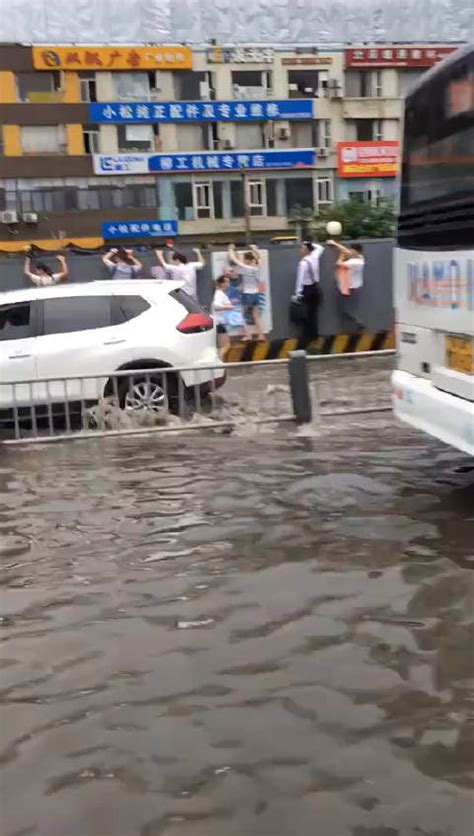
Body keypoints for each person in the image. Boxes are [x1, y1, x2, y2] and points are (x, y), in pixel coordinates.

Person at [228, 243, 264, 341]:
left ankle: (248, 335)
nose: (243, 260)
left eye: (245, 259)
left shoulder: (245, 268)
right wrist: (255, 249)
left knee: (242, 314)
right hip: (256, 294)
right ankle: (261, 335)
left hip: (247, 294)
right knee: (255, 316)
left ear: (248, 260)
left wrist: (231, 249)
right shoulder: (258, 267)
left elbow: (234, 260)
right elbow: (260, 258)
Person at [327, 240, 365, 332]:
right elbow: (346, 251)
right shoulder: (360, 257)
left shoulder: (356, 262)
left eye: (352, 250)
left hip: (350, 288)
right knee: (344, 308)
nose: (349, 252)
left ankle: (358, 323)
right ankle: (352, 325)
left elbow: (338, 264)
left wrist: (341, 255)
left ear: (355, 251)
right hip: (348, 287)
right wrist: (336, 244)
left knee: (345, 309)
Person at [293, 238, 324, 344]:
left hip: (306, 289)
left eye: (302, 248)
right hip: (315, 288)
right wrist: (309, 243)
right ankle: (314, 335)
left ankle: (306, 335)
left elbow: (300, 279)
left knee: (304, 313)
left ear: (307, 251)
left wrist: (297, 294)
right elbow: (320, 247)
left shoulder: (303, 263)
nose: (300, 250)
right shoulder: (315, 257)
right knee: (313, 313)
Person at [212, 275, 234, 361]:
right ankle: (219, 362)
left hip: (218, 323)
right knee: (226, 345)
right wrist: (229, 307)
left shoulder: (220, 294)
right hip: (219, 323)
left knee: (221, 346)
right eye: (227, 282)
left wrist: (230, 304)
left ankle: (219, 362)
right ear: (222, 284)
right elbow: (216, 307)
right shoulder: (219, 294)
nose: (228, 284)